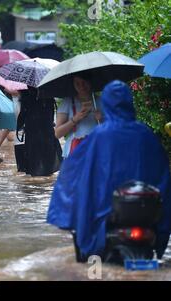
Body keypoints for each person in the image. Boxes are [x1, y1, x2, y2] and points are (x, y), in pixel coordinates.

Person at [47, 80, 171, 262]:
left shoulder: (99, 136)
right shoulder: (146, 134)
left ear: (106, 103)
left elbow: (74, 169)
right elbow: (162, 173)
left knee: (91, 263)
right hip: (147, 214)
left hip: (107, 214)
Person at [55, 72, 103, 158]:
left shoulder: (101, 101)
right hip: (75, 153)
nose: (81, 86)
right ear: (73, 84)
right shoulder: (67, 102)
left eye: (84, 82)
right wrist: (75, 119)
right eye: (77, 83)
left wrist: (102, 120)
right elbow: (58, 133)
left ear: (90, 81)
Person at [16, 86, 62, 176]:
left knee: (34, 164)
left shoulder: (26, 95)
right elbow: (51, 115)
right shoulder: (48, 94)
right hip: (47, 131)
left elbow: (22, 117)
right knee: (48, 164)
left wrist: (20, 127)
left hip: (32, 132)